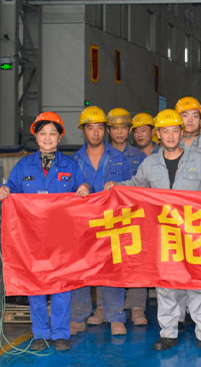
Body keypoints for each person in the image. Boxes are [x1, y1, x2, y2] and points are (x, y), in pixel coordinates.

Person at [106, 109, 201, 353]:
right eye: (165, 131)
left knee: (197, 283)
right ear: (158, 134)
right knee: (166, 285)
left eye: (175, 131)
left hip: (193, 232)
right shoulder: (150, 164)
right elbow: (135, 185)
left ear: (181, 132)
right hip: (164, 233)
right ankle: (168, 332)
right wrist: (116, 187)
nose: (170, 135)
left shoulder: (197, 160)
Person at [0, 112, 90, 351]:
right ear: (36, 137)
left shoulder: (71, 166)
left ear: (60, 137)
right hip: (32, 238)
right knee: (36, 285)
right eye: (43, 133)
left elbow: (83, 189)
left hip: (62, 237)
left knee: (62, 286)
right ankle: (40, 333)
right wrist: (5, 190)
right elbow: (12, 189)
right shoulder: (23, 166)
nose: (47, 138)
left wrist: (85, 187)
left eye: (52, 133)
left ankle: (60, 333)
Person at [70, 106, 131, 337]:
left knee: (113, 268)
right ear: (83, 131)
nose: (95, 133)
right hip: (83, 225)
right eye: (90, 128)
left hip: (111, 222)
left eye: (99, 128)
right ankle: (78, 317)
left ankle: (115, 317)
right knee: (80, 269)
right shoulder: (74, 161)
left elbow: (131, 189)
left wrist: (119, 187)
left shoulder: (119, 159)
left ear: (105, 130)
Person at [107, 107, 149, 327]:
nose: (119, 132)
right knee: (108, 262)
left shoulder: (140, 157)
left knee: (137, 262)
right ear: (109, 130)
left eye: (123, 128)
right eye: (115, 128)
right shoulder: (103, 156)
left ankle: (137, 307)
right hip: (109, 218)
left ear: (129, 130)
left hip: (135, 218)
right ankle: (104, 308)